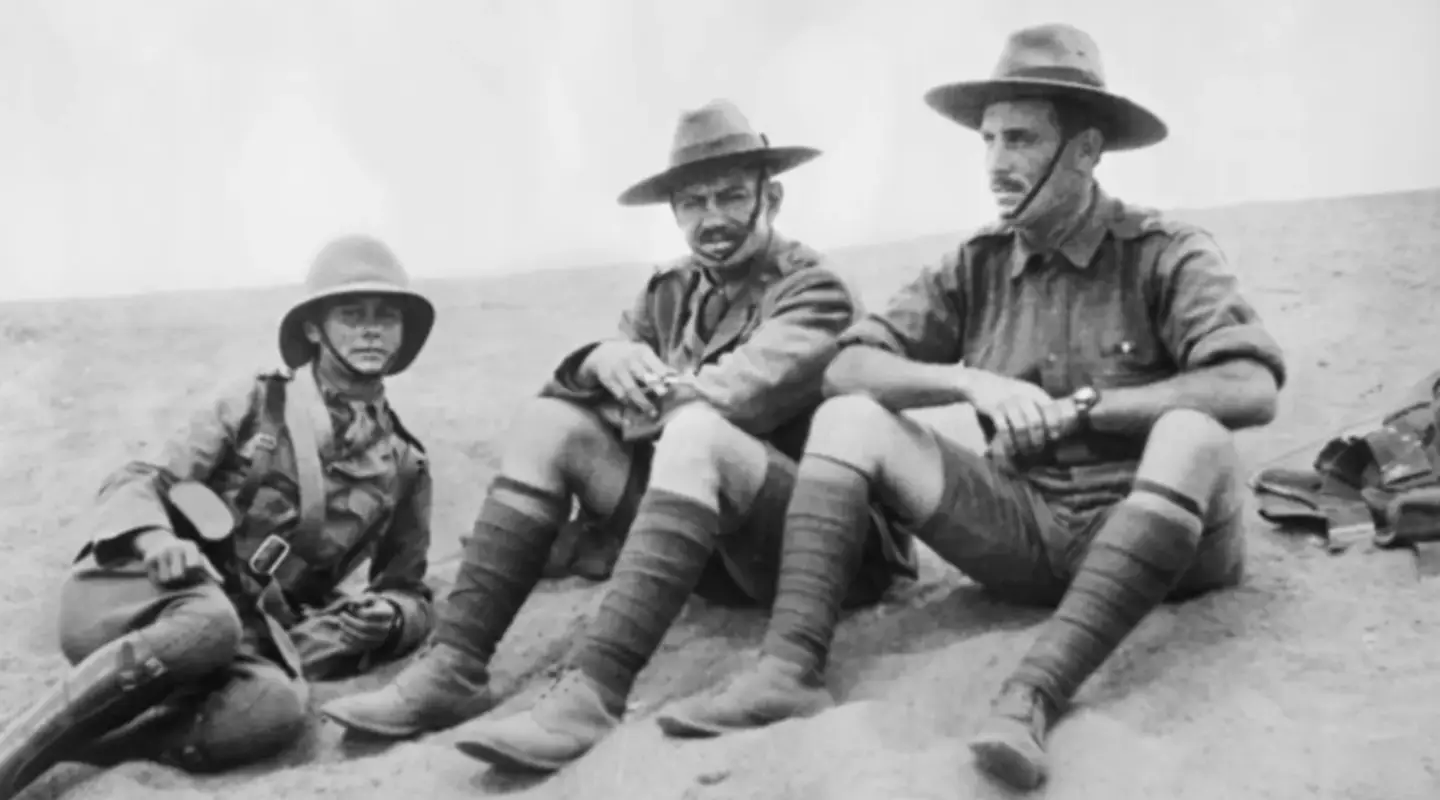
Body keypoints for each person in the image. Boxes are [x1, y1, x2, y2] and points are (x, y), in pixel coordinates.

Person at [651, 24, 1288, 792]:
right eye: (988, 141)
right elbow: (850, 364)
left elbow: (1250, 386)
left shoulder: (1165, 251)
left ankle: (1031, 697)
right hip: (1027, 531)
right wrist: (970, 384)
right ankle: (789, 669)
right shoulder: (976, 264)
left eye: (1020, 140)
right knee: (848, 416)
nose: (996, 164)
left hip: (1165, 547)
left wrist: (1089, 409)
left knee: (1193, 432)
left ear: (1086, 151)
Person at [320, 99, 915, 773]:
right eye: (691, 203)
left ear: (770, 197)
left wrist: (621, 381)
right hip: (714, 545)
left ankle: (593, 694)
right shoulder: (672, 290)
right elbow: (578, 399)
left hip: (823, 550)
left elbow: (725, 398)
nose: (711, 218)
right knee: (552, 425)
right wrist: (599, 357)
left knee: (697, 429)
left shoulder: (816, 291)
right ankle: (455, 666)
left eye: (729, 196)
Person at [0, 234, 439, 799]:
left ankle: (96, 748)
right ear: (314, 329)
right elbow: (139, 479)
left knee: (276, 709)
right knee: (208, 622)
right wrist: (158, 539)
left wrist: (392, 615)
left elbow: (409, 587)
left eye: (387, 317)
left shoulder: (405, 462)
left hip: (245, 635)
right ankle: (11, 754)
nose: (373, 330)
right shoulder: (258, 404)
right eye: (352, 315)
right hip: (140, 597)